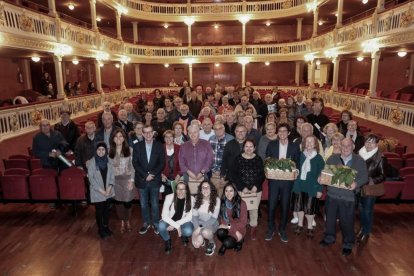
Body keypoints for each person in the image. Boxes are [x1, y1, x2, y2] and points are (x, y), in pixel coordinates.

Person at [320, 138, 368, 256]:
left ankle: (348, 243)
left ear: (353, 146)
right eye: (343, 146)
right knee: (330, 220)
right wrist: (320, 178)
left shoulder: (359, 160)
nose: (346, 148)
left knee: (347, 222)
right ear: (340, 146)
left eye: (348, 146)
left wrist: (356, 184)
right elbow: (324, 173)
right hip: (332, 194)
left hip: (348, 197)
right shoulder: (332, 158)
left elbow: (364, 177)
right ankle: (329, 238)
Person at [265, 123, 300, 243]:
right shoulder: (272, 144)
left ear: (289, 133)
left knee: (285, 206)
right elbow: (267, 160)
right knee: (272, 205)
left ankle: (282, 229)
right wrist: (268, 170)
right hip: (274, 180)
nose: (282, 133)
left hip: (287, 181)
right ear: (277, 133)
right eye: (280, 131)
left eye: (284, 131)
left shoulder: (294, 147)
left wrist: (296, 172)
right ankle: (270, 229)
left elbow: (297, 163)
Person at [132, 125, 165, 235]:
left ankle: (155, 223)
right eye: (145, 132)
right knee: (143, 204)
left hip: (155, 179)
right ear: (142, 134)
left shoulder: (159, 146)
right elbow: (135, 163)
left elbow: (162, 163)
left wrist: (153, 174)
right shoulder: (137, 146)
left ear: (153, 133)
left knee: (155, 204)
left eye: (150, 132)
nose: (148, 134)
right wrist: (145, 175)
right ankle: (146, 223)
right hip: (142, 179)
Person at [291, 135, 325, 239]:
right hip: (299, 185)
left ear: (315, 144)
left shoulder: (319, 158)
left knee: (310, 209)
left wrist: (320, 189)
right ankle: (300, 224)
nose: (309, 144)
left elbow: (322, 175)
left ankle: (310, 227)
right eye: (307, 142)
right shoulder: (300, 155)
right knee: (299, 207)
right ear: (304, 144)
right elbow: (294, 169)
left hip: (312, 187)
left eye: (312, 142)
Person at [357, 134, 386, 244]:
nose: (369, 144)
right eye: (367, 142)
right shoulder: (359, 154)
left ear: (376, 144)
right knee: (360, 209)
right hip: (359, 186)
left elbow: (383, 176)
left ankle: (366, 233)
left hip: (370, 188)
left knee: (367, 211)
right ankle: (361, 229)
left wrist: (371, 180)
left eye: (372, 142)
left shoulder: (380, 158)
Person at [234, 139, 264, 240]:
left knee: (254, 209)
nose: (248, 148)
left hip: (256, 189)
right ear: (243, 147)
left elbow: (261, 174)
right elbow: (235, 175)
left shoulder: (258, 159)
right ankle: (241, 228)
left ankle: (253, 228)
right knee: (242, 209)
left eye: (251, 146)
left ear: (254, 148)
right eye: (246, 146)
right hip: (242, 190)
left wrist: (256, 186)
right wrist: (243, 187)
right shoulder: (238, 159)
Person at [109, 129, 136, 234]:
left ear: (124, 138)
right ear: (113, 139)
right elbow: (108, 169)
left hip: (127, 179)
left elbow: (133, 167)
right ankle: (122, 221)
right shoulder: (109, 151)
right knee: (118, 202)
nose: (118, 138)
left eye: (121, 136)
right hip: (115, 181)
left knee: (127, 202)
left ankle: (128, 220)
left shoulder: (130, 150)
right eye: (116, 136)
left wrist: (132, 180)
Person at [86, 142, 115, 239]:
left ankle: (106, 227)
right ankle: (101, 229)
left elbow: (112, 175)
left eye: (103, 149)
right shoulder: (92, 162)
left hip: (108, 190)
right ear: (96, 150)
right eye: (99, 150)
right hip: (97, 192)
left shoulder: (109, 161)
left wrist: (110, 187)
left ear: (106, 151)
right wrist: (102, 191)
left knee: (107, 211)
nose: (101, 152)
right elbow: (91, 179)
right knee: (99, 211)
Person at [159, 180, 194, 254]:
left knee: (188, 231)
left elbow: (189, 217)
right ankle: (167, 240)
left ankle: (184, 235)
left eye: (183, 189)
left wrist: (175, 225)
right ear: (176, 190)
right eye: (178, 188)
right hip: (170, 220)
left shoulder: (191, 199)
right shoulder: (169, 197)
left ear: (186, 190)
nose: (180, 191)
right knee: (161, 226)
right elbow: (164, 215)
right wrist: (176, 226)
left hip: (184, 221)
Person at [216, 183, 248, 256]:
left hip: (240, 228)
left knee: (227, 243)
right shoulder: (223, 202)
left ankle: (238, 241)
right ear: (224, 192)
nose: (228, 193)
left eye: (231, 191)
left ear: (235, 192)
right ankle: (234, 240)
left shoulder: (242, 203)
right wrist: (230, 228)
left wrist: (231, 228)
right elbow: (222, 219)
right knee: (219, 232)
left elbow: (243, 223)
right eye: (226, 191)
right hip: (229, 227)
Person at [192, 181, 221, 256]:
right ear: (200, 190)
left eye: (207, 187)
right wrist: (197, 228)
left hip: (211, 222)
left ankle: (211, 243)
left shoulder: (217, 200)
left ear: (211, 188)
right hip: (199, 222)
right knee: (196, 244)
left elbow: (214, 218)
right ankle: (202, 239)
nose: (205, 189)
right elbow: (194, 216)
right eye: (203, 187)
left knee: (206, 232)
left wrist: (199, 228)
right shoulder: (196, 198)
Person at [209, 122, 234, 196]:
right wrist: (213, 169)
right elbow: (209, 156)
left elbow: (232, 159)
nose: (218, 130)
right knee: (214, 196)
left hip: (226, 173)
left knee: (226, 196)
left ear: (224, 129)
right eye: (216, 129)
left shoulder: (230, 139)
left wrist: (223, 173)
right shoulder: (211, 139)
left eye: (220, 128)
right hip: (214, 172)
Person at [162, 130, 181, 196]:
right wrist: (161, 175)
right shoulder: (160, 148)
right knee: (166, 199)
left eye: (170, 137)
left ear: (173, 138)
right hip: (164, 179)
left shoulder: (179, 148)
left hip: (177, 178)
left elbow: (182, 164)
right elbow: (156, 164)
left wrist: (179, 175)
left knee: (177, 199)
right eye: (166, 137)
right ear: (164, 138)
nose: (168, 138)